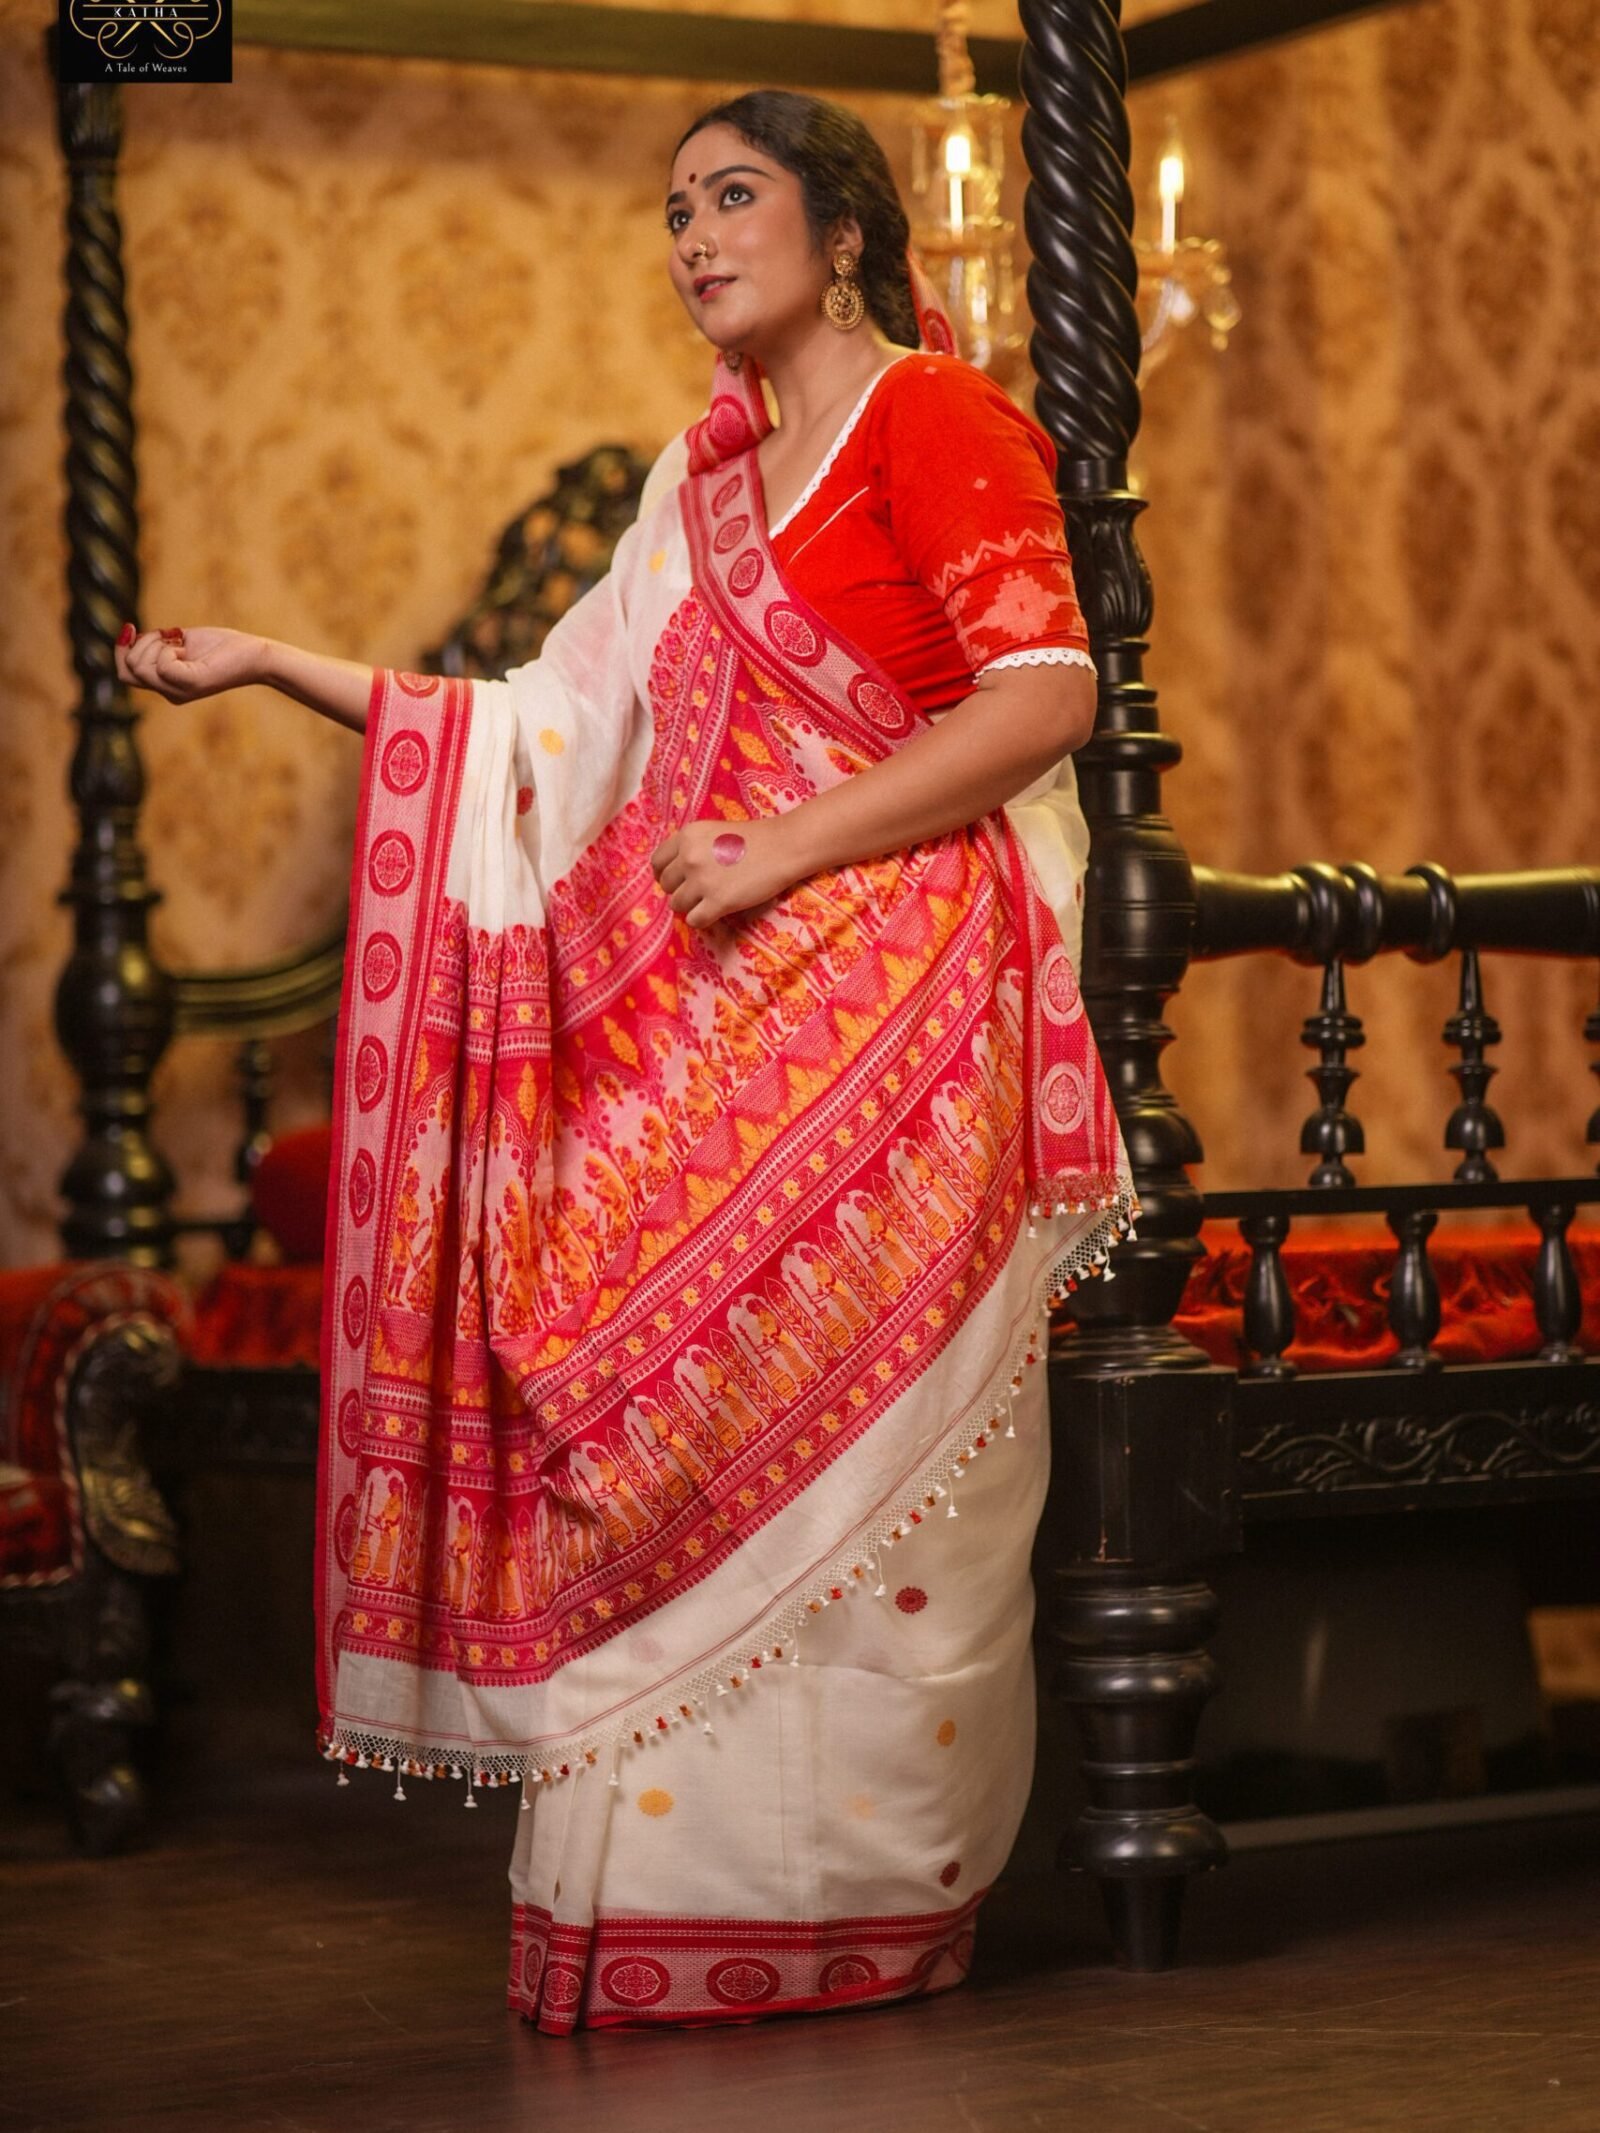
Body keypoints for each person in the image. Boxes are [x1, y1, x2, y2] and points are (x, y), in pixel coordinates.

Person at [116, 89, 1135, 2035]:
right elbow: (534, 725)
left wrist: (781, 848)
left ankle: (837, 1904)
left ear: (844, 231)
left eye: (729, 195)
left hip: (904, 967)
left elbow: (1041, 692)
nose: (688, 236)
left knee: (840, 1472)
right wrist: (267, 656)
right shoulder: (698, 483)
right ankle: (654, 1899)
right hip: (716, 977)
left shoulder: (938, 416)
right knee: (617, 1378)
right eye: (670, 210)